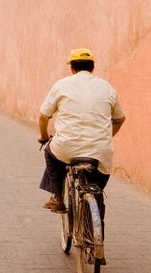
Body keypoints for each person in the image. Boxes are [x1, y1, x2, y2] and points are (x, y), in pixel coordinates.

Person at [38, 48, 125, 213]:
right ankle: (95, 220)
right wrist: (106, 136)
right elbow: (120, 119)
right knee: (96, 188)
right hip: (100, 151)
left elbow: (43, 116)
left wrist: (43, 136)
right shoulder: (107, 87)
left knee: (50, 151)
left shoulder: (62, 85)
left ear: (72, 68)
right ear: (92, 68)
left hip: (66, 147)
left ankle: (56, 196)